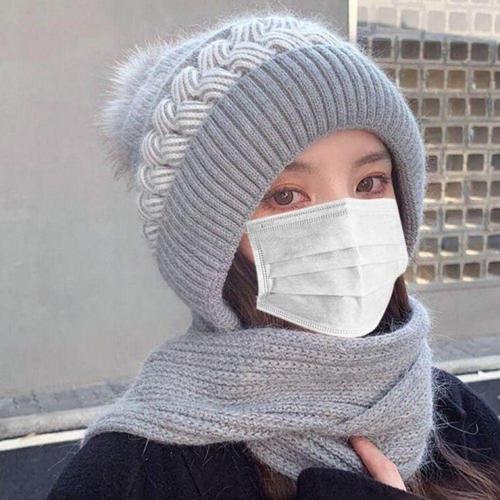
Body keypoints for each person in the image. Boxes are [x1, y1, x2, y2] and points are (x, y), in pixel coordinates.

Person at [47, 9, 500, 500]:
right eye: (286, 196)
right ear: (211, 247)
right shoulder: (131, 473)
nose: (346, 225)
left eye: (370, 183)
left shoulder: (451, 411)